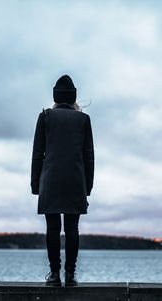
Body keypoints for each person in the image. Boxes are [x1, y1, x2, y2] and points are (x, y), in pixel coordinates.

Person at [30, 75, 94, 286]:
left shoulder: (45, 117)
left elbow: (37, 153)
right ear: (73, 97)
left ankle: (55, 275)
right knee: (72, 229)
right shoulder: (83, 119)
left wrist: (35, 184)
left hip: (50, 180)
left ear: (55, 97)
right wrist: (88, 186)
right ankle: (70, 275)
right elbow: (89, 156)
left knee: (52, 228)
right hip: (76, 180)